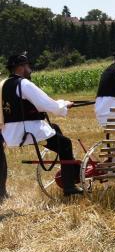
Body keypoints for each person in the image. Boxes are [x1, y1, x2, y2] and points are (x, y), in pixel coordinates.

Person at [0, 53, 81, 196]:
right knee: (65, 144)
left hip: (11, 132)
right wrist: (63, 105)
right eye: (27, 66)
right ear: (21, 67)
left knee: (55, 129)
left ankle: (71, 169)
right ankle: (69, 186)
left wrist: (59, 104)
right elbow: (46, 104)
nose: (29, 70)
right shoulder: (24, 83)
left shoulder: (4, 84)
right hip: (27, 130)